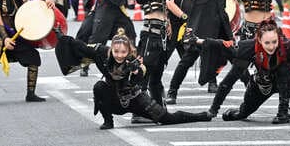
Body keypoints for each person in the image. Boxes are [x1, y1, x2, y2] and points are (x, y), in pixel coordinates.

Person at [186, 19, 290, 124]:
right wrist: (213, 110)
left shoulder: (289, 46)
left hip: (282, 81)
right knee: (242, 114)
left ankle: (283, 112)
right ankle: (236, 112)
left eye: (274, 42)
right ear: (259, 40)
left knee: (287, 71)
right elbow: (223, 51)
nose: (271, 46)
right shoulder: (248, 48)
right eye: (267, 43)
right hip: (261, 86)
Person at [54, 29, 211, 129]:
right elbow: (80, 46)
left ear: (128, 51)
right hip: (113, 101)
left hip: (134, 100)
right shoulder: (102, 53)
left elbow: (141, 79)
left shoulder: (134, 61)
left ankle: (200, 115)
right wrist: (62, 38)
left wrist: (136, 72)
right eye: (116, 52)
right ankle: (108, 121)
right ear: (111, 50)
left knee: (167, 118)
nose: (119, 55)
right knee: (99, 86)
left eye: (123, 52)